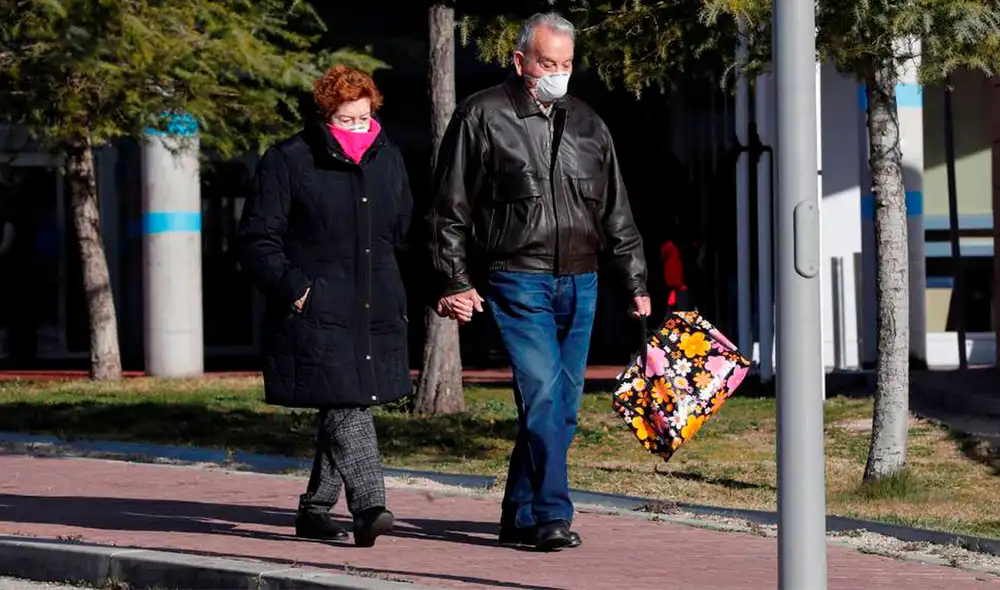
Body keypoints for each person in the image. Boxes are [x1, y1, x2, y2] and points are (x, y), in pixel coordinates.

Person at [427, 12, 650, 552]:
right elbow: (448, 207)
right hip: (517, 279)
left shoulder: (589, 123)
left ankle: (519, 513)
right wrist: (453, 279)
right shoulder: (482, 114)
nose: (558, 73)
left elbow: (615, 210)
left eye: (567, 64)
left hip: (582, 280)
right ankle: (553, 513)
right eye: (548, 62)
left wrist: (636, 281)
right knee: (545, 396)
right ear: (521, 60)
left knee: (563, 406)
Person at [237, 65, 413, 548]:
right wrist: (296, 287)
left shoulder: (388, 158)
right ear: (324, 116)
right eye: (345, 119)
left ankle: (315, 510)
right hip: (315, 307)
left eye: (363, 117)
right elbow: (257, 240)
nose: (356, 128)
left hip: (373, 305)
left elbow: (400, 230)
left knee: (347, 399)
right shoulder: (288, 160)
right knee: (347, 401)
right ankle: (370, 505)